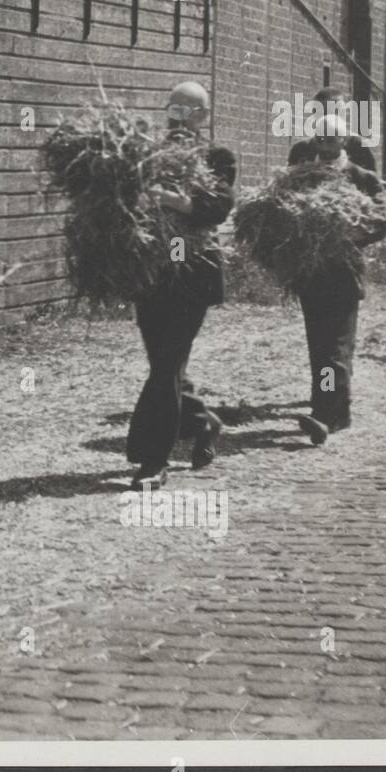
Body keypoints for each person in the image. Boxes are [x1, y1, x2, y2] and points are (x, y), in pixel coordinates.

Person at [126, 80, 236, 488]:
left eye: (188, 111)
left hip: (192, 272)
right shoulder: (148, 154)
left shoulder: (216, 158)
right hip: (154, 272)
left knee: (168, 364)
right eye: (173, 110)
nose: (179, 119)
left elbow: (219, 207)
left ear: (204, 116)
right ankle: (202, 423)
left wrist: (172, 200)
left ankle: (152, 460)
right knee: (164, 365)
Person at [287, 113, 386, 445]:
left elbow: (383, 218)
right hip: (312, 274)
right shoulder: (304, 176)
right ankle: (335, 411)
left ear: (344, 141)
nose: (327, 148)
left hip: (344, 275)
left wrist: (357, 231)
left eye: (333, 141)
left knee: (336, 348)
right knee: (320, 346)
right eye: (321, 141)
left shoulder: (361, 177)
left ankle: (324, 416)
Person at [289, 86, 378, 173]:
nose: (330, 117)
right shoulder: (301, 148)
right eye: (325, 112)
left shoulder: (358, 146)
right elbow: (287, 182)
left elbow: (372, 183)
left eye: (337, 112)